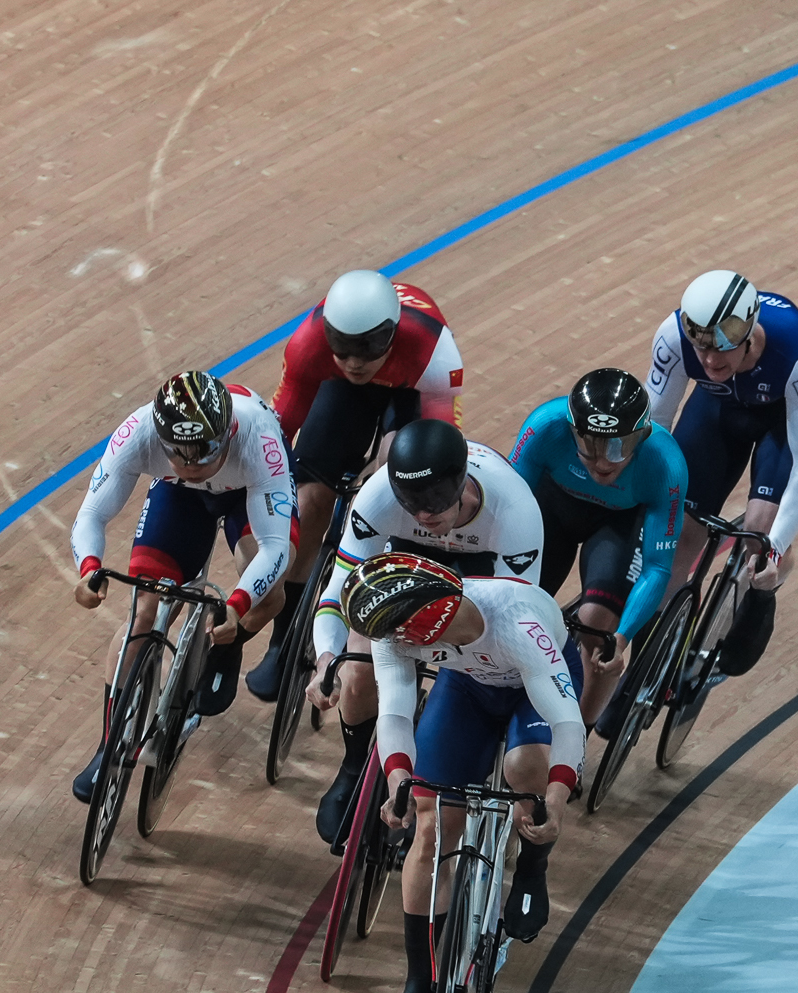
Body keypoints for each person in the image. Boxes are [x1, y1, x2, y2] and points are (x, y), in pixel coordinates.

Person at [342, 553, 583, 993]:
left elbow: (567, 724)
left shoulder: (517, 621)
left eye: (399, 636)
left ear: (426, 629)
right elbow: (393, 714)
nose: (387, 642)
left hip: (532, 693)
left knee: (524, 770)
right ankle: (419, 981)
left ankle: (533, 864)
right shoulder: (396, 630)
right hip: (468, 687)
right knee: (431, 826)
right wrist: (398, 784)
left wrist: (555, 802)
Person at [302, 418, 543, 845]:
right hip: (407, 556)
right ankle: (356, 765)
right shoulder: (378, 497)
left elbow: (514, 621)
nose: (424, 513)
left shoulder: (515, 509)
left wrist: (451, 649)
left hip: (480, 573)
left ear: (463, 482)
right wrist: (326, 658)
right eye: (411, 502)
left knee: (475, 665)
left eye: (435, 500)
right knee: (357, 669)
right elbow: (337, 592)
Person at [66, 370, 296, 802]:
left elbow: (275, 548)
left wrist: (240, 600)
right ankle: (110, 745)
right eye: (179, 454)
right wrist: (89, 569)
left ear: (226, 434)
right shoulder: (139, 432)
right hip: (180, 499)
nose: (191, 465)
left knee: (270, 594)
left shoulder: (258, 439)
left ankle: (226, 647)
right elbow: (91, 516)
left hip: (246, 493)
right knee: (144, 613)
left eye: (203, 454)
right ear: (162, 436)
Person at [245, 269, 464, 701]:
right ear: (328, 335)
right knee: (308, 500)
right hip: (343, 394)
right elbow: (278, 432)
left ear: (391, 335)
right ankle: (283, 643)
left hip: (409, 390)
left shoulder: (433, 350)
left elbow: (440, 444)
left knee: (397, 462)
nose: (355, 361)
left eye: (366, 349)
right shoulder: (310, 344)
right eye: (343, 349)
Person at [645, 269, 798, 676]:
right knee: (679, 537)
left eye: (723, 348)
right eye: (702, 347)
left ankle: (747, 607)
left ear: (749, 331)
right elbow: (656, 423)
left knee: (760, 537)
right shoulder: (674, 335)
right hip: (715, 413)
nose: (710, 360)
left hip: (777, 424)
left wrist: (777, 545)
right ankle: (651, 655)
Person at [508, 368, 687, 730]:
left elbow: (657, 568)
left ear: (644, 435)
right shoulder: (545, 425)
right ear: (571, 429)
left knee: (598, 630)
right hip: (552, 509)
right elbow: (508, 506)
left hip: (617, 525)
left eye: (618, 446)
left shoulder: (664, 464)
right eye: (588, 445)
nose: (603, 461)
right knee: (513, 604)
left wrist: (621, 639)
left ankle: (579, 737)